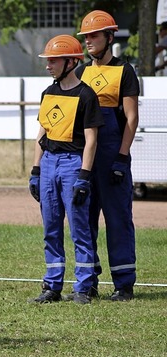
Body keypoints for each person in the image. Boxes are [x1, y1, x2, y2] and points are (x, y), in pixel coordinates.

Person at [28, 35, 103, 305]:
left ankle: (83, 287)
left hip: (73, 164)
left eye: (53, 61)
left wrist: (84, 175)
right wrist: (36, 169)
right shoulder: (48, 93)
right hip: (48, 161)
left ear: (71, 62)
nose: (48, 65)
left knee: (80, 228)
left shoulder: (86, 95)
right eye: (47, 61)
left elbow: (91, 139)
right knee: (51, 227)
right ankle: (52, 287)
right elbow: (42, 132)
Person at [75, 10, 140, 301]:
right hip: (86, 159)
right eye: (85, 37)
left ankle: (124, 283)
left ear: (109, 37)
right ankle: (89, 281)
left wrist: (122, 157)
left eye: (94, 36)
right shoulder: (80, 72)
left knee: (118, 220)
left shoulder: (125, 71)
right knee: (84, 220)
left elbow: (131, 118)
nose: (88, 41)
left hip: (113, 156)